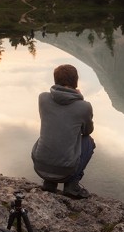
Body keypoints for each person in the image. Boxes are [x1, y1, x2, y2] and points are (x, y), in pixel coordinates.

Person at [31, 64, 95, 199]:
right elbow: (87, 131)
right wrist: (80, 98)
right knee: (88, 142)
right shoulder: (84, 106)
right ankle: (72, 184)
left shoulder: (42, 98)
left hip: (40, 165)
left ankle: (50, 183)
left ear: (55, 80)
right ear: (76, 81)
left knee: (52, 131)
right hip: (66, 170)